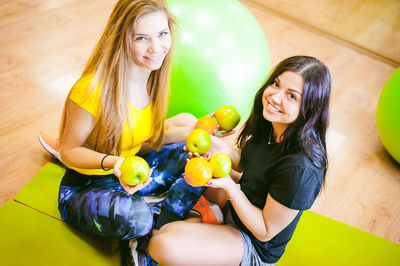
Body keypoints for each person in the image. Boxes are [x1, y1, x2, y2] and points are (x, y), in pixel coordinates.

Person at [52, 0, 220, 260]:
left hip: (131, 177)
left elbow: (141, 139)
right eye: (142, 38)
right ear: (121, 38)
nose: (156, 48)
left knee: (193, 159)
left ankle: (158, 225)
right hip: (84, 187)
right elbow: (69, 150)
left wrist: (197, 131)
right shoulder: (91, 89)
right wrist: (114, 163)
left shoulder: (154, 77)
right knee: (139, 218)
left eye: (162, 34)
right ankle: (150, 223)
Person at [148, 55, 331, 265]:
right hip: (237, 205)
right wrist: (216, 145)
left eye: (291, 96)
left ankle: (203, 224)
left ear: (310, 107)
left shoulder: (301, 169)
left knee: (162, 243)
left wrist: (229, 187)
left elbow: (264, 231)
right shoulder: (271, 124)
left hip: (252, 242)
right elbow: (247, 162)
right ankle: (205, 220)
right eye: (275, 84)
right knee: (188, 127)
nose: (275, 97)